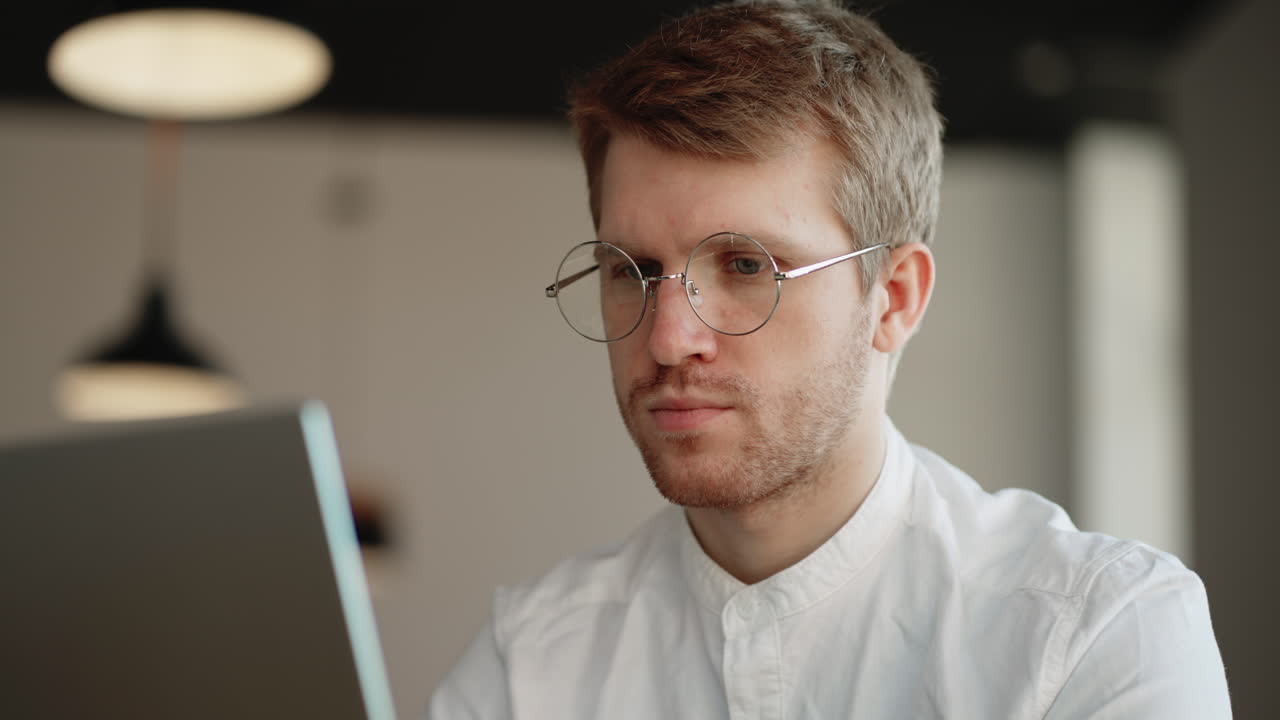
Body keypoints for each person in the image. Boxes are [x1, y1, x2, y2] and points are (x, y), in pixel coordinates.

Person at [430, 0, 1231, 717]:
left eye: (746, 267)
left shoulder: (1093, 639)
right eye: (632, 272)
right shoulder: (528, 663)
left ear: (895, 298)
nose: (669, 338)